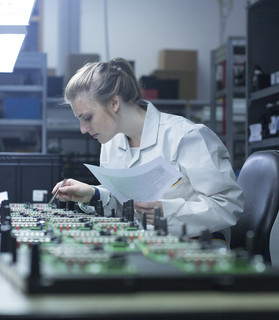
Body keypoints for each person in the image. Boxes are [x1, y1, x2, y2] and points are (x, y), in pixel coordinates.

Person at [52, 57, 244, 243]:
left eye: (87, 117)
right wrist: (93, 194)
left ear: (114, 103)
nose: (83, 129)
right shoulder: (111, 146)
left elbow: (228, 205)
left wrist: (166, 212)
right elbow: (127, 206)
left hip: (196, 249)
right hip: (143, 246)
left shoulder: (186, 137)